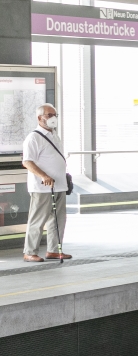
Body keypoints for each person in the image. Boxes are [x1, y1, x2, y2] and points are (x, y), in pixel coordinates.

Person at [21, 104, 72, 263]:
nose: (53, 118)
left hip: (59, 186)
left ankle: (53, 250)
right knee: (37, 221)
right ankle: (29, 252)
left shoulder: (55, 135)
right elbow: (27, 162)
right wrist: (43, 175)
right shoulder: (34, 137)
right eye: (49, 115)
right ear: (39, 118)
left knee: (58, 220)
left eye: (54, 115)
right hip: (43, 188)